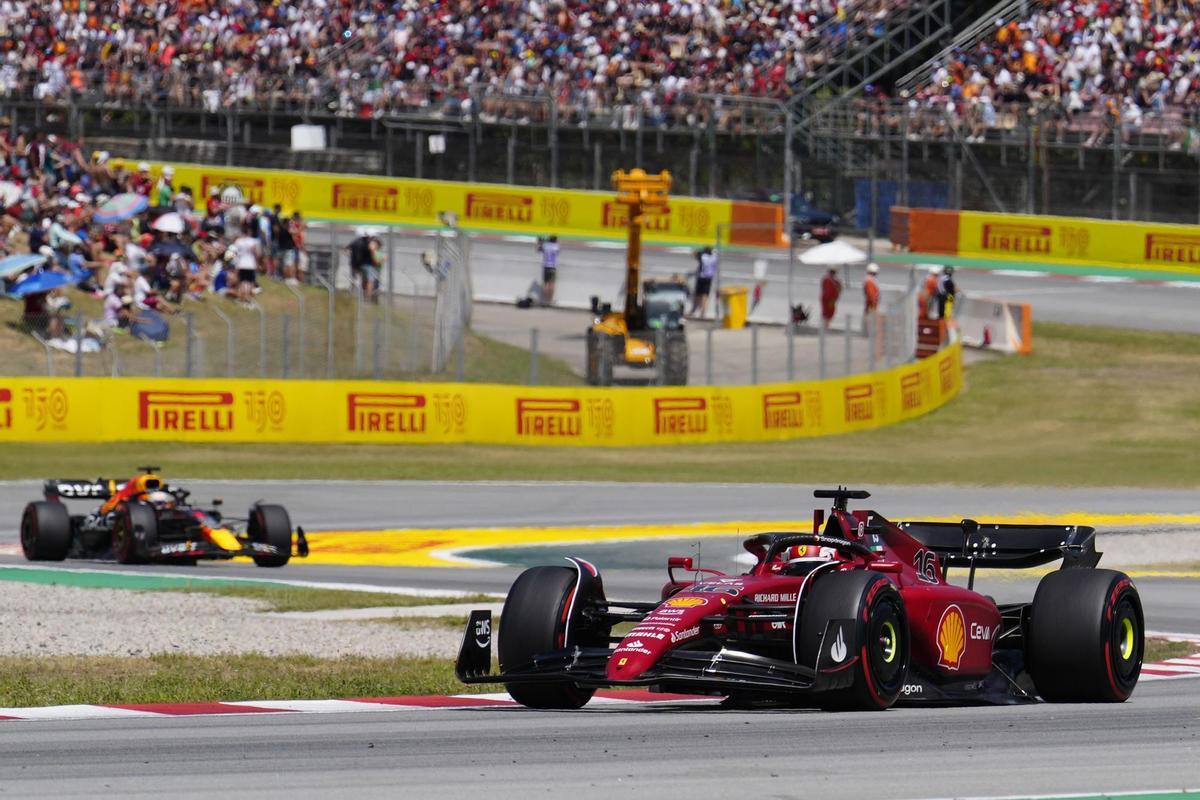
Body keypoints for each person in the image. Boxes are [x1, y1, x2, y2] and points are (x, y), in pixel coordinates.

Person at [231, 223, 261, 306]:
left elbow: (234, 252)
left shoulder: (238, 241)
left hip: (241, 264)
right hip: (250, 264)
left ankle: (243, 299)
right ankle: (248, 298)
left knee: (243, 282)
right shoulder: (252, 241)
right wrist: (258, 263)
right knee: (250, 282)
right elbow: (256, 253)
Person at [690, 246, 717, 317]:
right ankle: (703, 312)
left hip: (701, 277)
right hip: (709, 278)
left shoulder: (702, 256)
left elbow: (693, 252)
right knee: (705, 296)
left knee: (698, 295)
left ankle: (693, 310)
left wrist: (699, 252)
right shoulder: (714, 257)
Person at [536, 235, 559, 305]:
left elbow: (538, 250)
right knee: (552, 284)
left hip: (546, 266)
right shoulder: (556, 246)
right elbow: (558, 252)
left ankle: (544, 300)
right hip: (553, 267)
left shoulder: (545, 245)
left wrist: (540, 242)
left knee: (545, 284)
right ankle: (550, 300)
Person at [862, 262, 881, 334]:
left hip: (871, 303)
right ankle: (868, 332)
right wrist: (873, 302)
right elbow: (871, 294)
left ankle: (868, 331)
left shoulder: (869, 280)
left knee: (870, 317)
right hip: (871, 304)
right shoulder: (869, 281)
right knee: (870, 317)